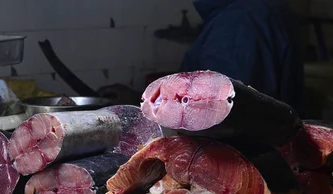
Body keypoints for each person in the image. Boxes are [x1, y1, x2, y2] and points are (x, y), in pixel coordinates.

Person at [100, 0, 305, 113]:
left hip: (240, 163)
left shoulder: (236, 23)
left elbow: (218, 111)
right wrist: (142, 97)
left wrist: (144, 102)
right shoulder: (256, 9)